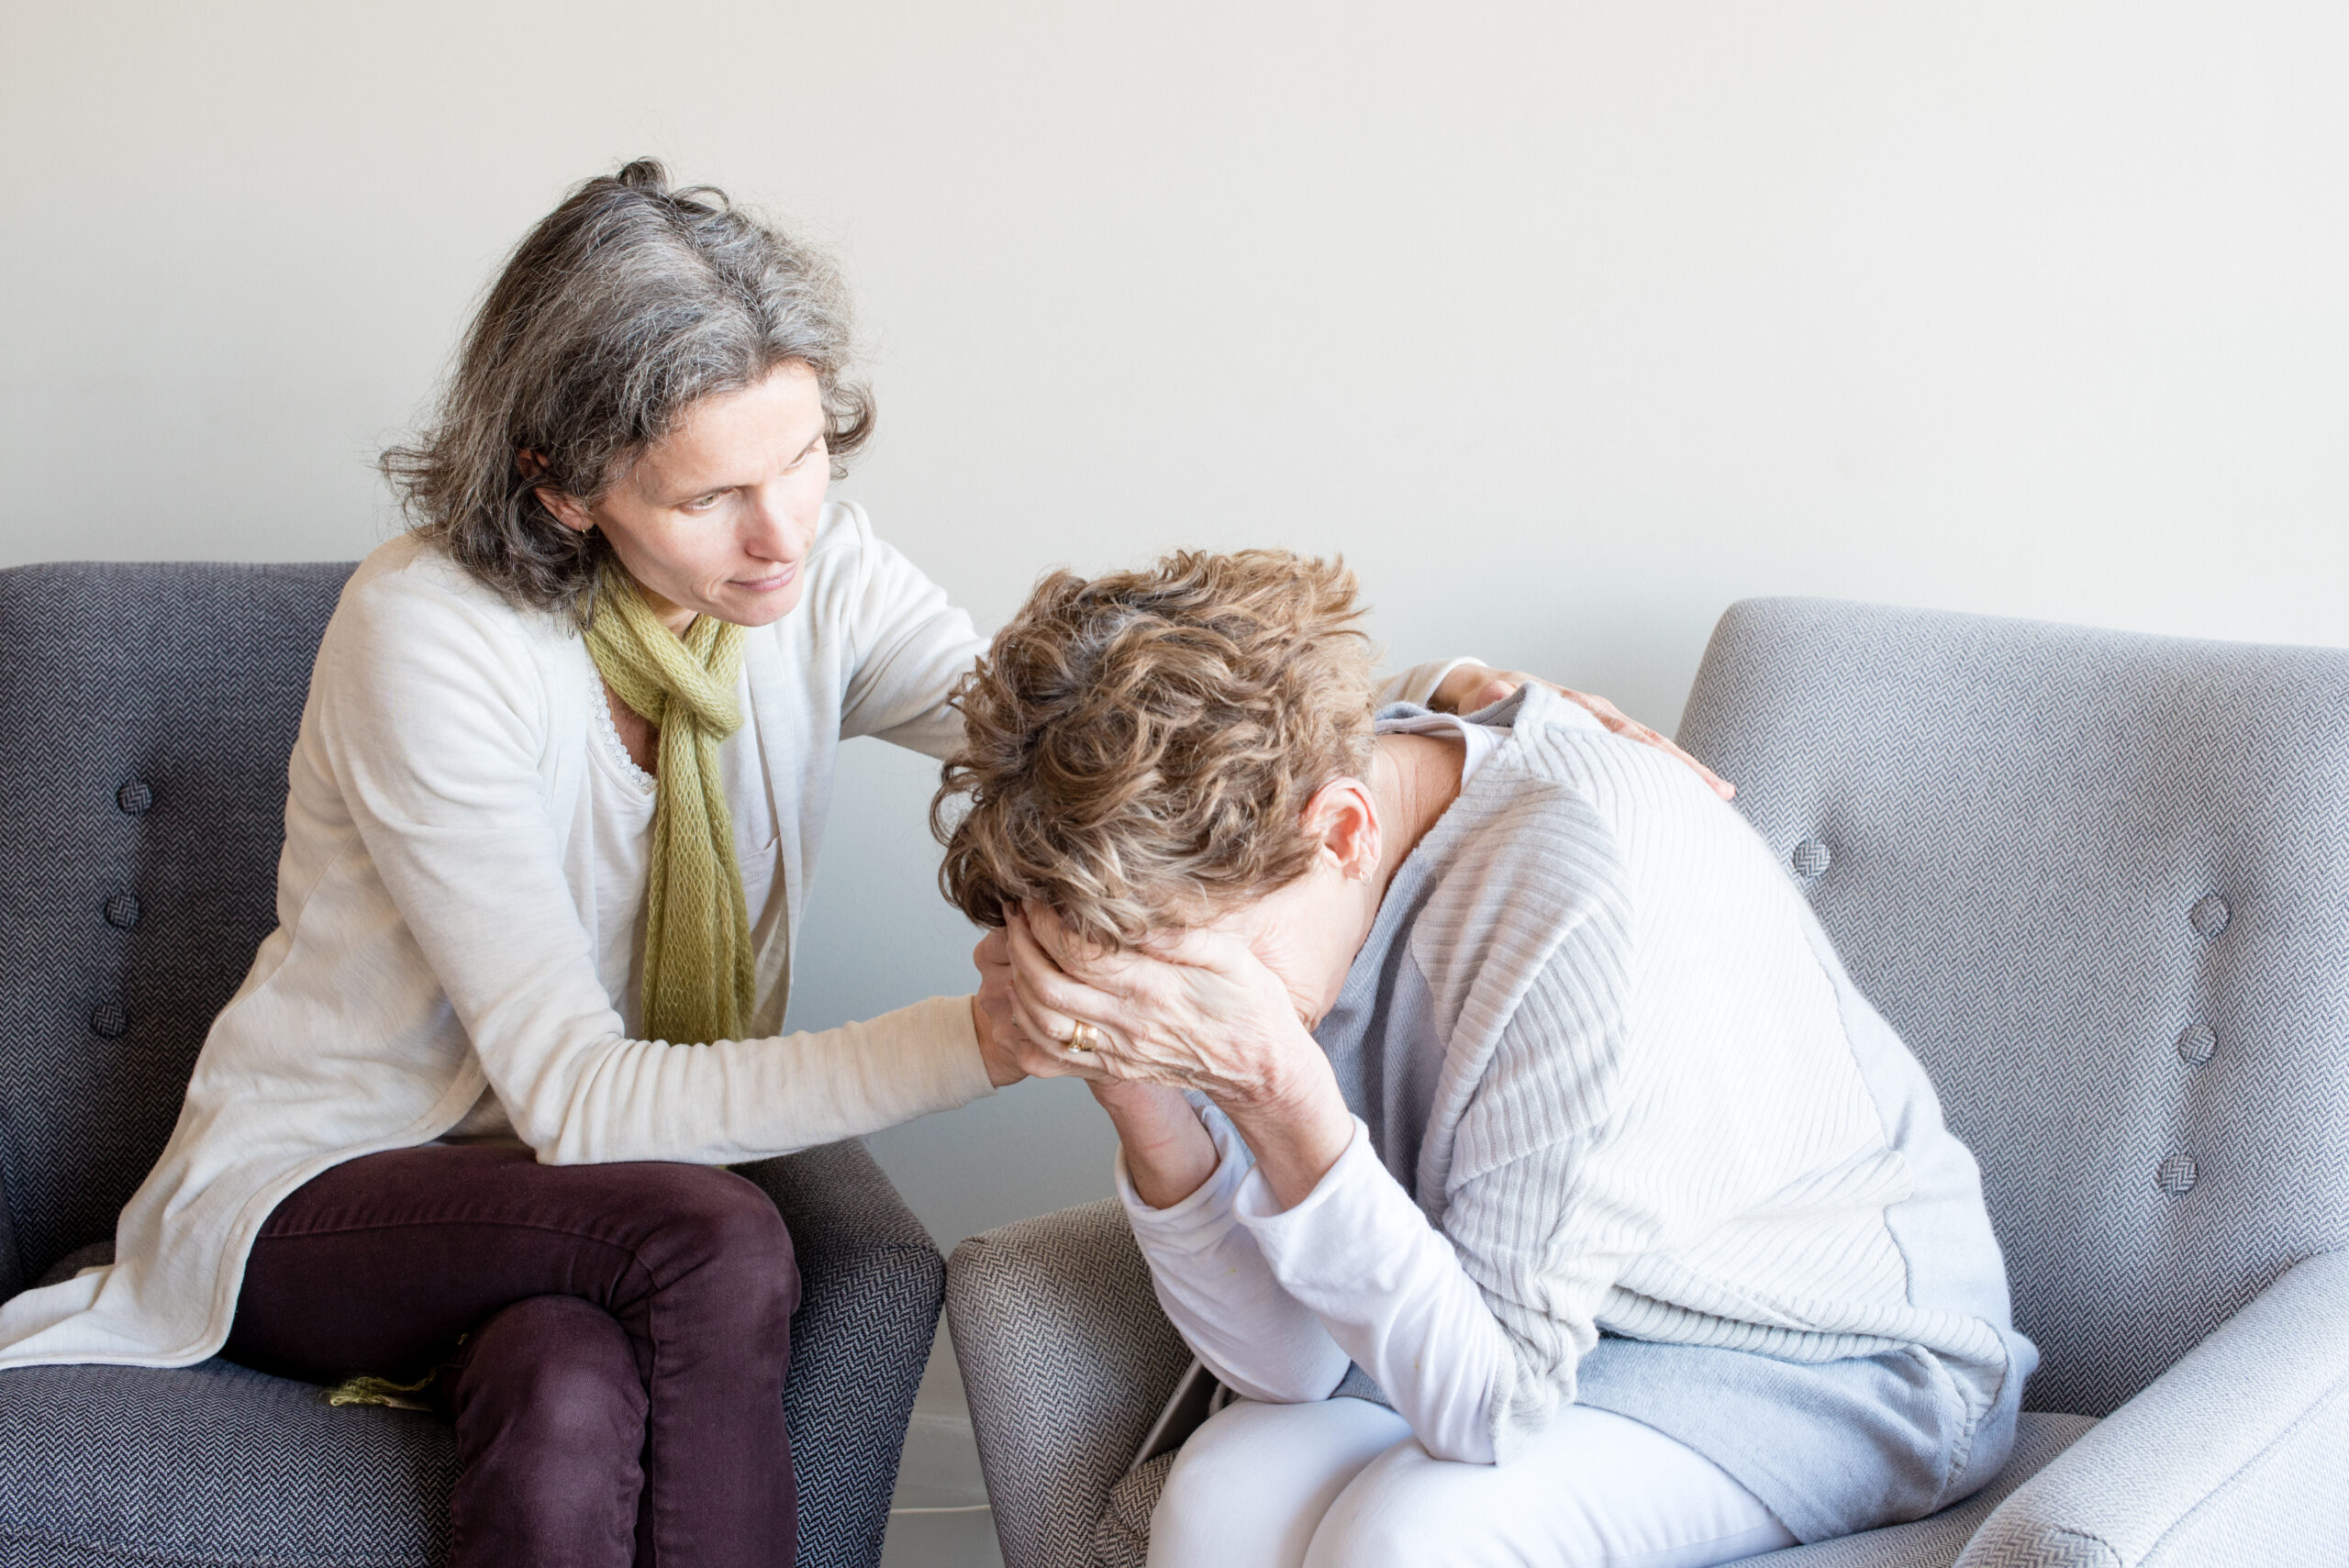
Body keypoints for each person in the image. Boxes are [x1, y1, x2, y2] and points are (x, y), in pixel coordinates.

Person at [0, 162, 1711, 1567]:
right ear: (564, 483)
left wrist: (1438, 708)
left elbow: (1095, 734)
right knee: (717, 1244)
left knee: (575, 1393)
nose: (783, 538)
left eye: (808, 460)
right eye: (711, 498)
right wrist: (997, 1036)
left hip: (563, 1245)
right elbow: (580, 1105)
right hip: (335, 1191)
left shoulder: (810, 572)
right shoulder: (429, 635)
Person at [939, 550, 2039, 1568]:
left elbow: (1495, 1403)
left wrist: (1275, 1081)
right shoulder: (1226, 865)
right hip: (1555, 1319)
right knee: (1219, 1490)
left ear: (1342, 832)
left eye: (1187, 977)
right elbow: (1287, 1368)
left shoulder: (1572, 894)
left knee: (1412, 1537)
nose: (1168, 1010)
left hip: (1823, 1355)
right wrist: (1140, 1092)